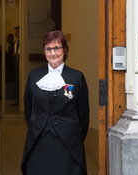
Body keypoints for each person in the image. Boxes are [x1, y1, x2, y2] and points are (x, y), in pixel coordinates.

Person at [21, 30, 89, 175]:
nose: (53, 53)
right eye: (48, 49)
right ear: (44, 51)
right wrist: (37, 125)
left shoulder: (77, 77)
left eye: (57, 48)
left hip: (68, 144)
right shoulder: (34, 76)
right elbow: (28, 109)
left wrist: (72, 134)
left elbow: (83, 115)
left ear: (65, 50)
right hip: (39, 142)